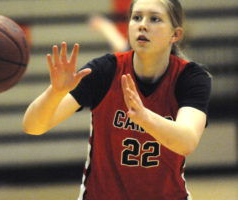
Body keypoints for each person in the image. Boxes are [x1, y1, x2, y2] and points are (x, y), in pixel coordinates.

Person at [23, 0, 212, 199]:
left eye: (154, 19)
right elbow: (33, 126)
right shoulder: (105, 70)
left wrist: (145, 118)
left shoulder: (190, 78)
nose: (142, 25)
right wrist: (54, 92)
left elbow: (187, 142)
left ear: (175, 35)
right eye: (136, 17)